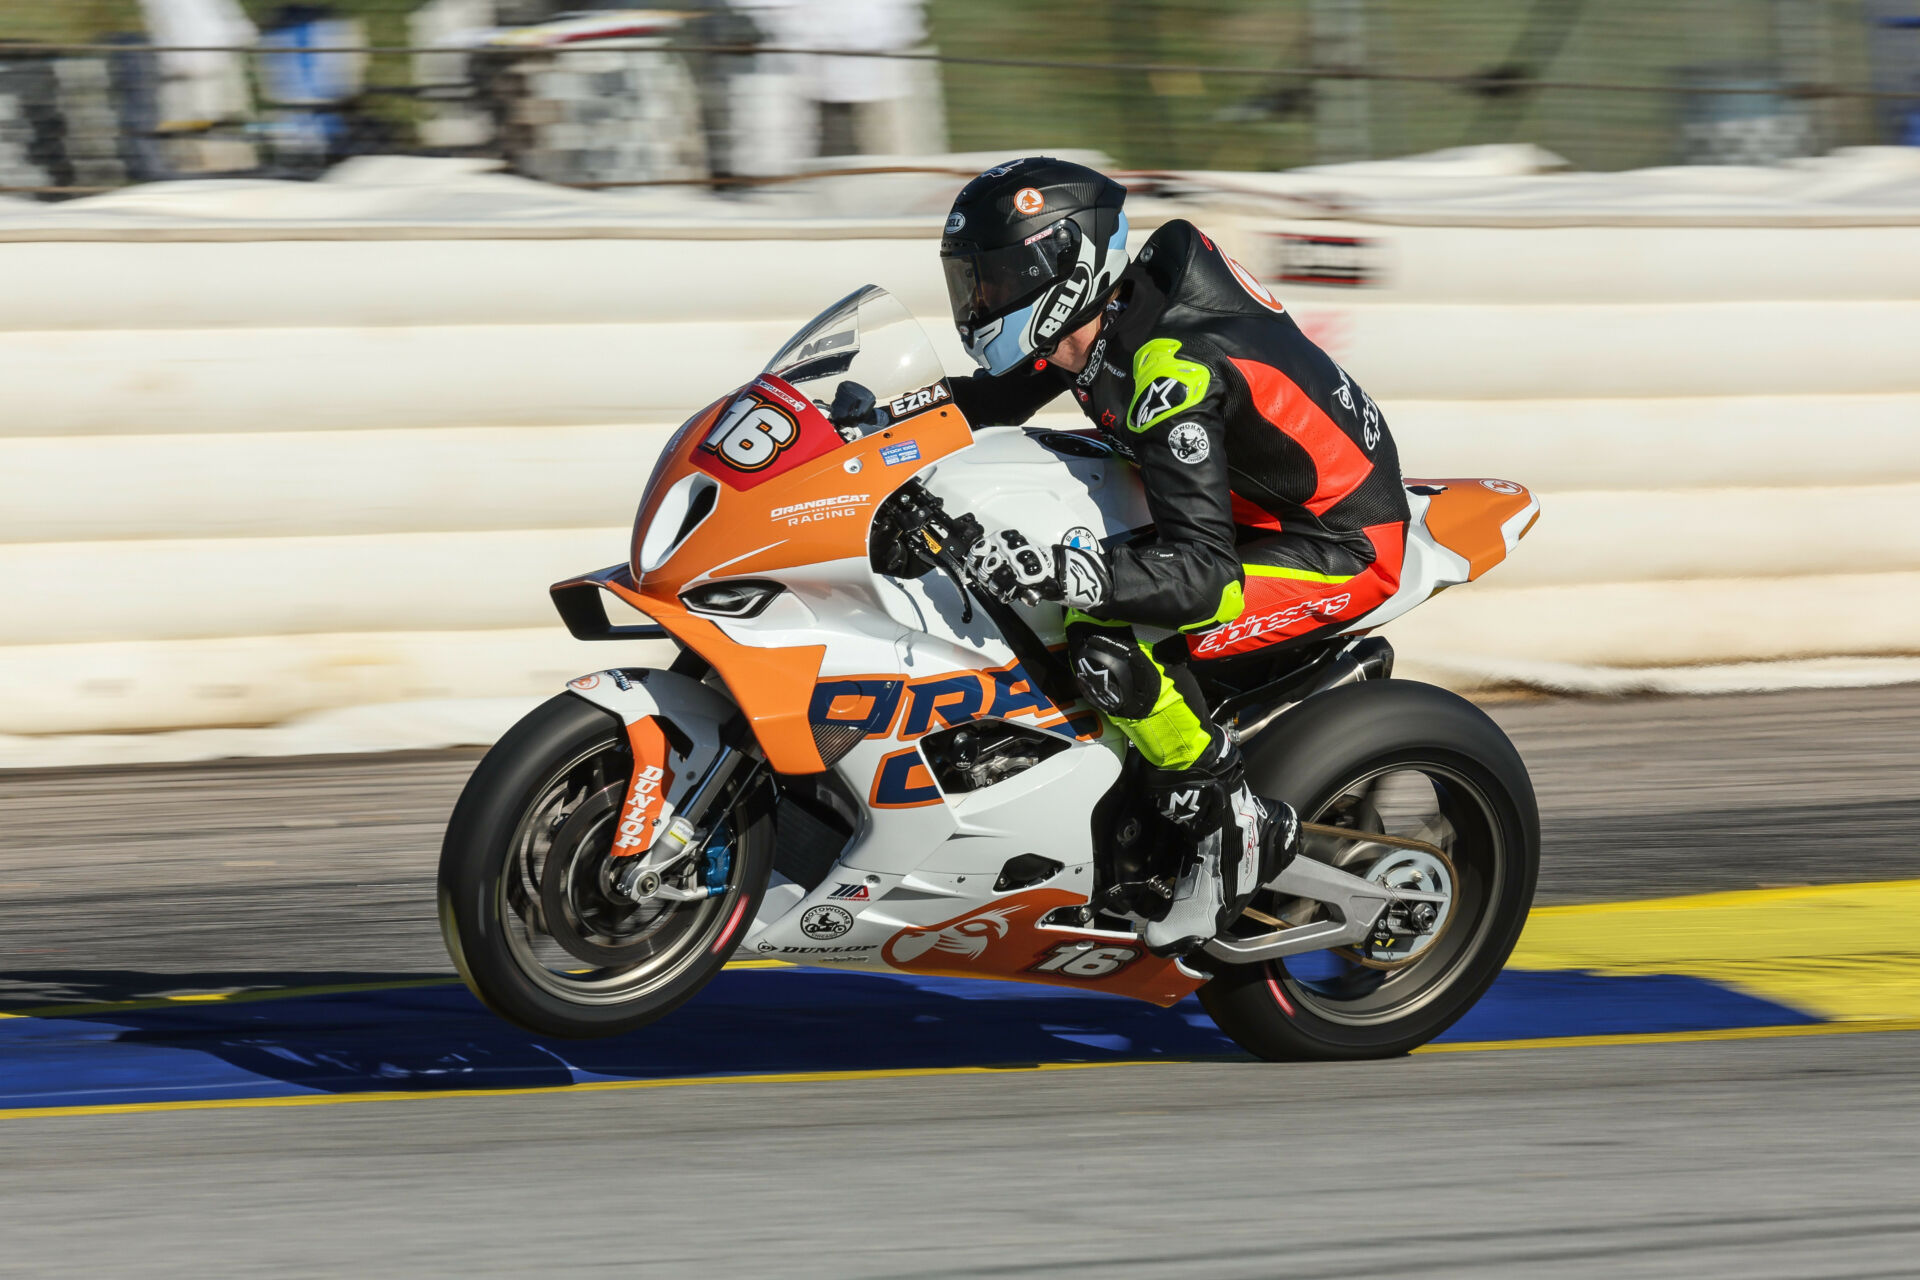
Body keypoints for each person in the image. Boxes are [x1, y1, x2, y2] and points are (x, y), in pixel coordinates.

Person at [940, 156, 1411, 958]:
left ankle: (1227, 828)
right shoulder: (1094, 323)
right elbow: (980, 403)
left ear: (1064, 268)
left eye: (996, 280)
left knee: (1104, 637)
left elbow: (1201, 574)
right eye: (972, 282)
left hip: (1334, 545)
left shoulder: (1170, 369)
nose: (980, 301)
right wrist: (852, 422)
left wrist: (1075, 574)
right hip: (1244, 508)